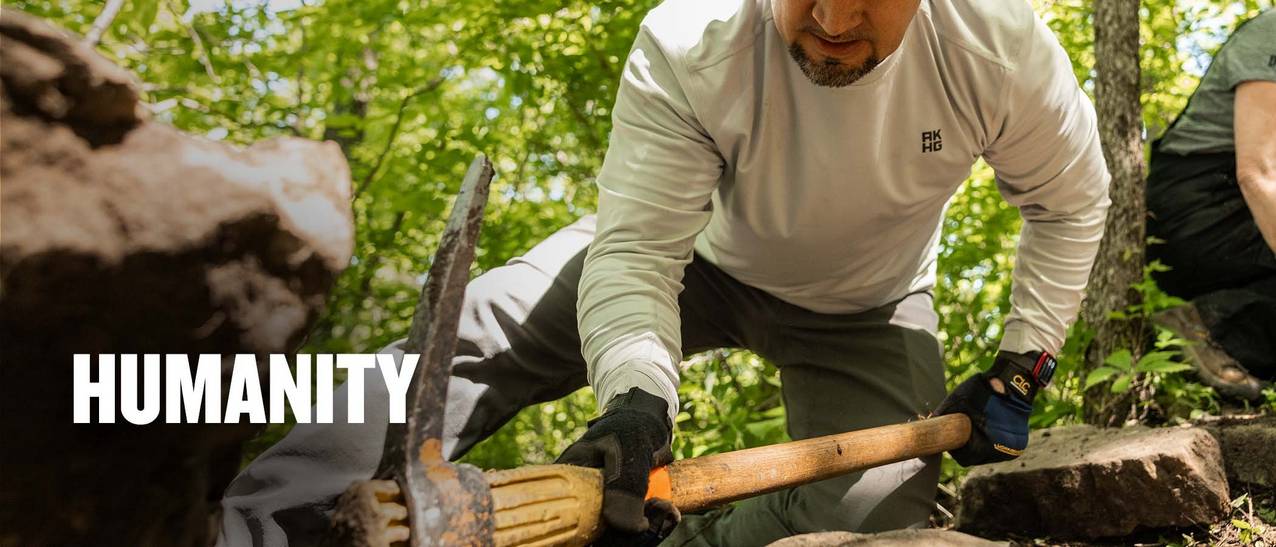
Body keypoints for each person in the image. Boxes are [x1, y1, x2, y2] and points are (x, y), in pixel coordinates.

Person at [218, 0, 1110, 544]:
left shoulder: (999, 50)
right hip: (691, 257)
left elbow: (1071, 201)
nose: (834, 22)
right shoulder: (693, 37)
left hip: (866, 303)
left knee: (877, 515)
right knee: (473, 332)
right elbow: (640, 249)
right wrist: (638, 401)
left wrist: (1025, 358)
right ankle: (252, 526)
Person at [1147, 10, 1275, 401]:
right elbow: (1257, 174)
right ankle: (1209, 328)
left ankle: (1221, 331)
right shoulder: (1271, 32)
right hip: (1195, 205)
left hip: (1232, 214)